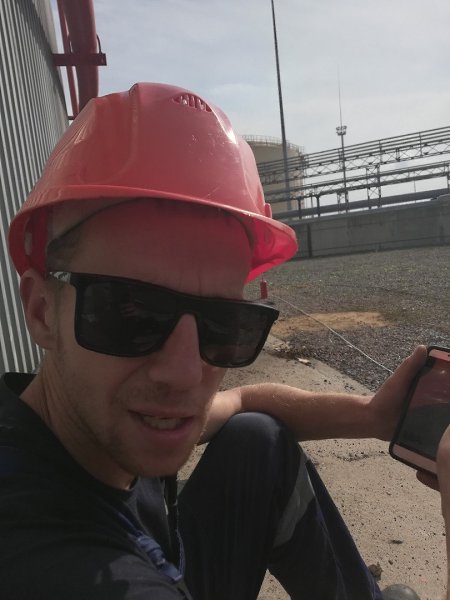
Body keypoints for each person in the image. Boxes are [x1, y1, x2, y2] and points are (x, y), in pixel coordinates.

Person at [0, 81, 444, 600]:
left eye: (224, 323)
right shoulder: (49, 563)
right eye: (131, 314)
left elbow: (244, 402)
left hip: (166, 553)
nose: (185, 373)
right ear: (40, 310)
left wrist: (372, 416)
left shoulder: (84, 422)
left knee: (258, 441)